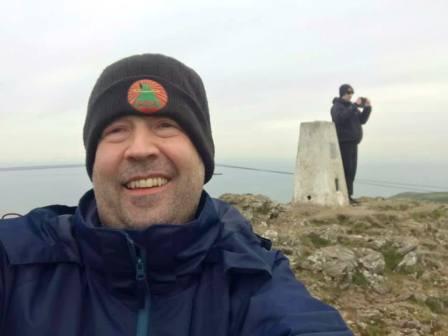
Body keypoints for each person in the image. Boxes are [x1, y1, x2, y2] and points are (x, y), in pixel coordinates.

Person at [0, 54, 353, 335]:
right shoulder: (15, 261)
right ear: (93, 161)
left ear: (202, 154)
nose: (139, 149)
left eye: (165, 126)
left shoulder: (252, 277)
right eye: (117, 130)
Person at [331, 84, 372, 205]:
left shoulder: (351, 107)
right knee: (347, 170)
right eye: (348, 93)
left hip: (354, 143)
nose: (350, 95)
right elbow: (340, 119)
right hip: (344, 143)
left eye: (351, 93)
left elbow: (362, 120)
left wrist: (367, 108)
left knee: (352, 170)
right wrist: (354, 106)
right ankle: (346, 196)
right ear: (342, 93)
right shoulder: (336, 107)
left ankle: (349, 195)